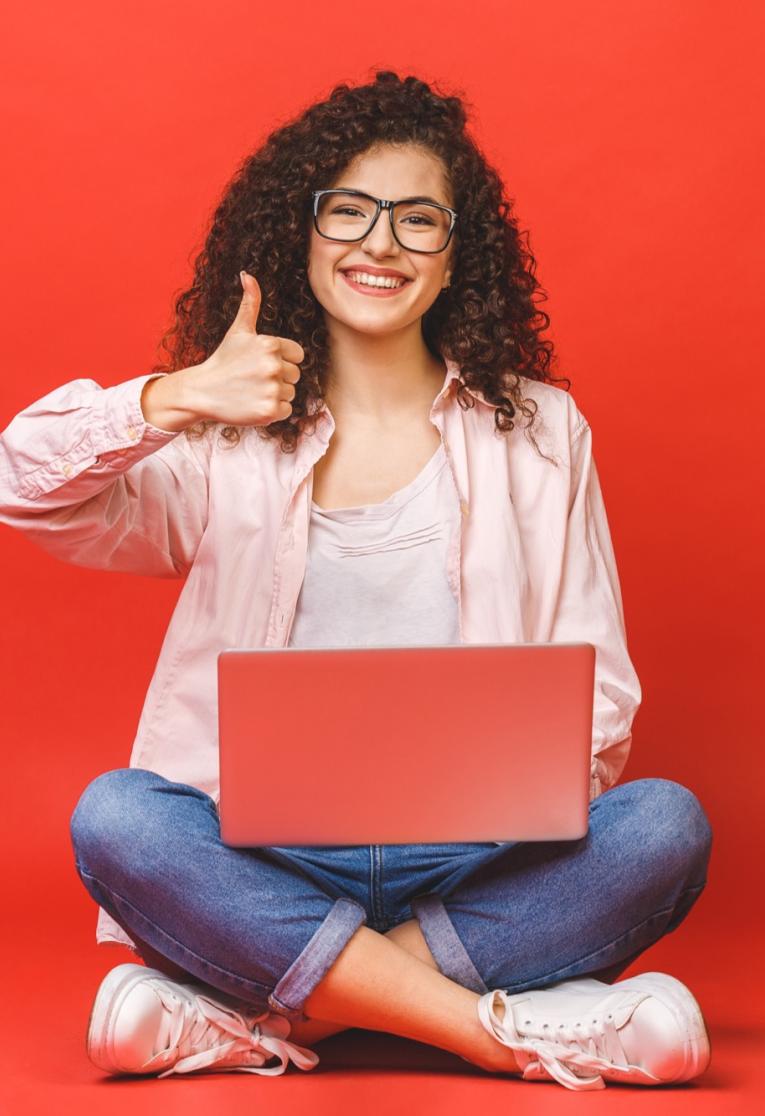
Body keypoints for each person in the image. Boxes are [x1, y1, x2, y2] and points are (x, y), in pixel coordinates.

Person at [0, 71, 713, 1090]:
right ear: (303, 230)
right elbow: (20, 487)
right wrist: (176, 396)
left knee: (664, 826)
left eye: (418, 220)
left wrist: (505, 788)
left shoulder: (545, 434)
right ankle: (495, 1031)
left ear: (457, 254)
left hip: (475, 860)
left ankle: (265, 1019)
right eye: (351, 211)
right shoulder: (223, 440)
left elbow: (601, 700)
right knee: (115, 816)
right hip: (268, 862)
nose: (380, 243)